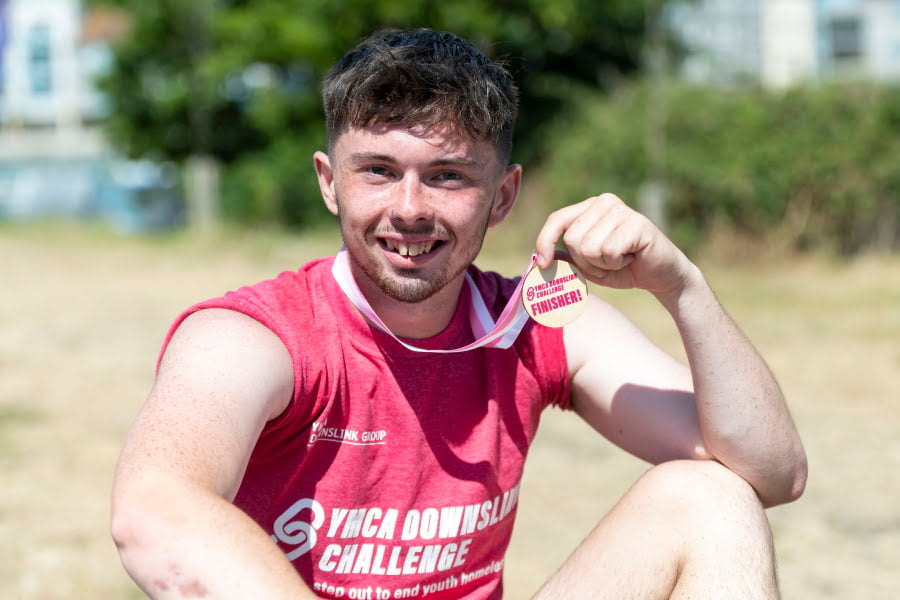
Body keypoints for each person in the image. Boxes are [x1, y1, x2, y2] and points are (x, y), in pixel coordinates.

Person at [111, 28, 806, 599]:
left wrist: (682, 287)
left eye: (447, 176)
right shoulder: (256, 335)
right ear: (330, 183)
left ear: (502, 197)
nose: (409, 208)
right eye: (378, 171)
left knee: (710, 501)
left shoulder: (534, 323)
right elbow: (156, 511)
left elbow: (772, 473)